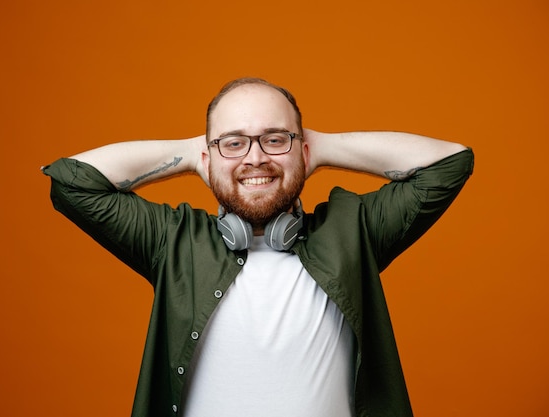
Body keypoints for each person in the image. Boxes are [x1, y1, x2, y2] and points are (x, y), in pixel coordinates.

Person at [42, 77, 474, 417]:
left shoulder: (353, 231)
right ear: (208, 157)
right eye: (234, 142)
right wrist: (196, 153)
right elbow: (72, 184)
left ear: (302, 150)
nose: (254, 158)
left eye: (275, 139)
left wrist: (316, 146)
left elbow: (448, 166)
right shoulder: (173, 241)